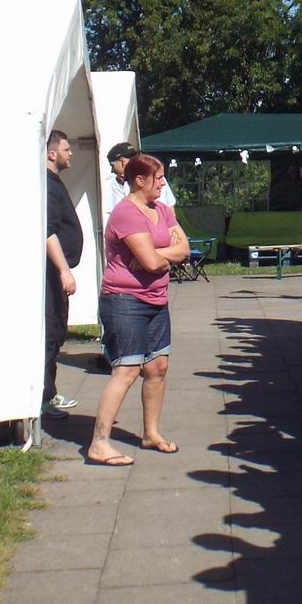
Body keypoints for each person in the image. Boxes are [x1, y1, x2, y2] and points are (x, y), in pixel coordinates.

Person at [88, 153, 189, 464]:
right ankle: (99, 443)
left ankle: (151, 433)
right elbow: (151, 263)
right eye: (158, 178)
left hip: (156, 299)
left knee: (157, 367)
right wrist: (160, 255)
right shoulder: (126, 214)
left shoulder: (162, 210)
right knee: (127, 370)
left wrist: (158, 254)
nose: (163, 184)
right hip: (125, 301)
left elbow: (184, 249)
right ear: (139, 180)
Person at [43, 129, 82, 420]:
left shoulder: (54, 182)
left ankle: (49, 392)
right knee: (50, 332)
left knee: (56, 332)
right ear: (52, 153)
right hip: (50, 276)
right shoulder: (47, 185)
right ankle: (44, 398)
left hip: (56, 276)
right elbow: (48, 233)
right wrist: (63, 270)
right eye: (67, 149)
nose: (71, 154)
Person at [104, 141, 134, 213]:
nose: (112, 171)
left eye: (112, 165)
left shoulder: (151, 179)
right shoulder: (117, 183)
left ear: (122, 162)